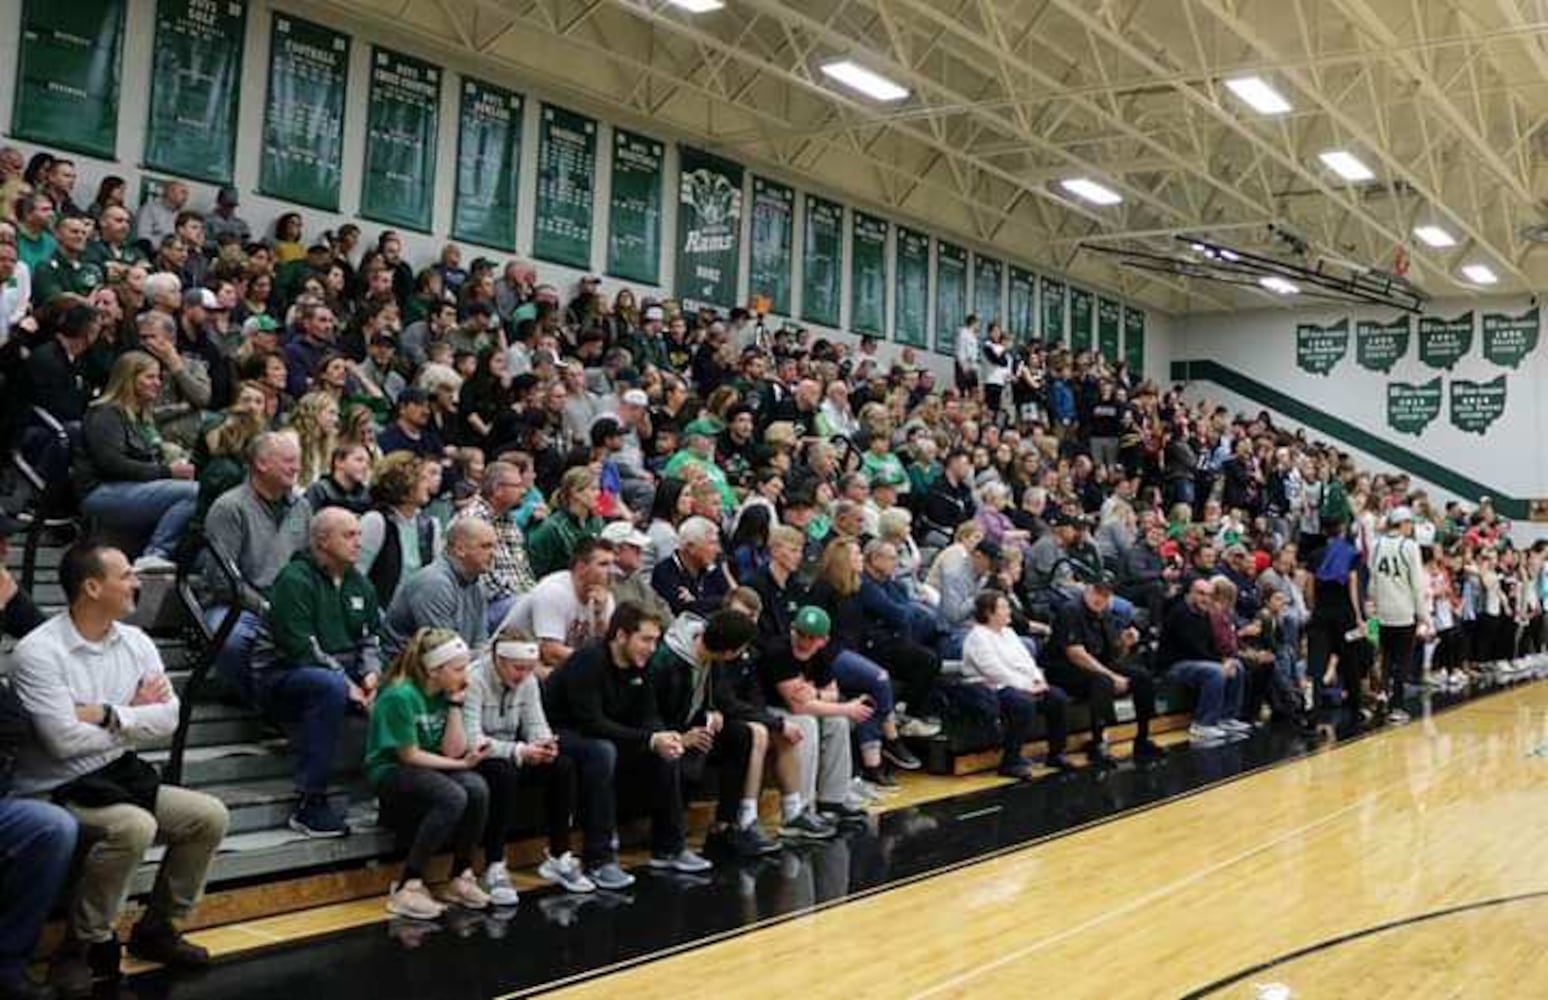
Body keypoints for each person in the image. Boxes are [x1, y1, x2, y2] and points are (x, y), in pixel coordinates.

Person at [12, 543, 229, 996]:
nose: (137, 582)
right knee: (133, 826)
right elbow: (61, 742)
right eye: (127, 574)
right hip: (56, 786)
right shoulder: (39, 651)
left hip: (117, 773)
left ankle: (159, 929)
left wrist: (110, 714)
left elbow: (169, 718)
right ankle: (81, 946)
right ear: (92, 587)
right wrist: (133, 717)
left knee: (209, 815)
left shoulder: (136, 641)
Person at [542, 604, 713, 880]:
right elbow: (591, 722)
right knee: (603, 751)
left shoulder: (641, 665)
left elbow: (648, 715)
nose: (652, 648)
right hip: (560, 732)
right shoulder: (589, 660)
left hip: (605, 732)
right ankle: (599, 858)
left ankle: (669, 847)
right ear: (621, 636)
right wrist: (650, 738)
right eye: (646, 639)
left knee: (665, 752)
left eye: (656, 640)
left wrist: (663, 737)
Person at [249, 508, 383, 838]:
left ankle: (394, 792)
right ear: (322, 540)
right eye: (349, 535)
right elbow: (302, 648)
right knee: (328, 686)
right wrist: (348, 684)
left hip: (342, 671)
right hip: (283, 676)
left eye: (358, 535)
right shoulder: (294, 579)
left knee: (405, 684)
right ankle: (310, 801)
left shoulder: (359, 582)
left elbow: (370, 638)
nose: (358, 543)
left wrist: (372, 676)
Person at [364, 628, 494, 919]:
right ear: (435, 670)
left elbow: (451, 750)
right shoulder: (400, 695)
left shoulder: (445, 693)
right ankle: (408, 885)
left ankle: (461, 875)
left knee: (477, 789)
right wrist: (461, 765)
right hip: (391, 770)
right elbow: (408, 756)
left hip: (430, 765)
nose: (466, 674)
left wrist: (456, 704)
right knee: (452, 795)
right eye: (459, 668)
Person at [463, 632, 601, 897]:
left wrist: (545, 744)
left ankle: (559, 855)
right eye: (518, 668)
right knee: (503, 773)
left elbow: (536, 723)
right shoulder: (475, 679)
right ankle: (495, 864)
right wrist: (520, 750)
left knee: (562, 765)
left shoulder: (528, 681)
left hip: (514, 751)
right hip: (477, 757)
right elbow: (472, 740)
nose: (524, 675)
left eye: (529, 668)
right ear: (498, 659)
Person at [647, 611, 780, 858]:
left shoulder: (710, 656)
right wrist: (681, 737)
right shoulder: (668, 661)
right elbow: (651, 712)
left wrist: (711, 712)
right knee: (680, 760)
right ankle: (669, 846)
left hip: (692, 727)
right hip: (661, 735)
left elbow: (722, 700)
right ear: (730, 652)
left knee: (741, 736)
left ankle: (724, 828)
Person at [201, 432, 312, 692]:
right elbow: (222, 580)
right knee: (231, 639)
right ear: (261, 464)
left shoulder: (301, 508)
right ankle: (248, 697)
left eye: (297, 460)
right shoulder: (229, 507)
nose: (296, 468)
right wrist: (265, 607)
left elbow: (306, 562)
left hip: (286, 602)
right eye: (288, 461)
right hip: (236, 605)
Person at [73, 350, 199, 573]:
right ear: (129, 379)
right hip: (102, 491)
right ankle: (155, 555)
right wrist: (167, 472)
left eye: (158, 377)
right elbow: (112, 464)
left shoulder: (142, 417)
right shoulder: (105, 414)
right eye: (150, 377)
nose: (157, 383)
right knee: (192, 492)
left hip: (133, 487)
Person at [758, 606, 870, 827]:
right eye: (801, 634)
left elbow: (832, 693)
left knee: (837, 723)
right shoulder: (778, 651)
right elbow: (798, 707)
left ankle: (832, 800)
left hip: (798, 707)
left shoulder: (822, 654)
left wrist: (816, 694)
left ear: (824, 640)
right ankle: (802, 807)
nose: (805, 642)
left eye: (812, 637)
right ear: (793, 630)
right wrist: (846, 708)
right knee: (806, 724)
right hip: (770, 710)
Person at [1040, 580, 1164, 765]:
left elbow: (1113, 656)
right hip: (1064, 669)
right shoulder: (1070, 610)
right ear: (1088, 590)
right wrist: (1112, 676)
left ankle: (1143, 738)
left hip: (1095, 666)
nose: (1101, 599)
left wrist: (1124, 643)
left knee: (1142, 677)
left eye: (1106, 595)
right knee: (1102, 681)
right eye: (1098, 593)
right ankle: (1098, 743)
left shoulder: (1105, 615)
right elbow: (1075, 654)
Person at [961, 590, 1075, 778]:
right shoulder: (977, 637)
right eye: (1004, 608)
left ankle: (1057, 753)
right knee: (1022, 703)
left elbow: (1027, 661)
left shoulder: (1009, 633)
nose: (1009, 612)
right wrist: (1027, 686)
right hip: (991, 688)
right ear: (989, 613)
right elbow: (995, 671)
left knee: (1057, 698)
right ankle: (1010, 761)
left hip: (1022, 684)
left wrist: (1038, 679)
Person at [383, 517, 496, 659]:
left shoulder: (477, 583)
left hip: (453, 664)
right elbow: (445, 650)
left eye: (494, 547)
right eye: (485, 546)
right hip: (409, 668)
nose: (493, 554)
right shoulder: (434, 583)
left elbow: (480, 641)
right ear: (460, 549)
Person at [1158, 577, 1250, 743]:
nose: (1205, 599)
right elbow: (1192, 648)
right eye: (1200, 594)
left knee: (1237, 666)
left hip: (1196, 662)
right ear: (1190, 594)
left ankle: (1226, 718)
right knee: (1215, 671)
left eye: (1209, 595)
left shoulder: (1205, 614)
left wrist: (1226, 659)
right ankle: (1203, 723)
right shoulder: (1179, 613)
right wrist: (1221, 662)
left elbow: (1210, 646)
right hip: (1174, 665)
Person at [501, 538, 617, 670]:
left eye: (613, 564)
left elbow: (608, 648)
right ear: (581, 567)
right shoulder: (553, 591)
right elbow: (550, 653)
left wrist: (600, 615)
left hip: (555, 666)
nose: (611, 571)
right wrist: (596, 662)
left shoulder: (605, 597)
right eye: (603, 564)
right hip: (512, 661)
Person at [454, 462, 538, 629]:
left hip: (514, 599)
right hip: (483, 608)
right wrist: (530, 598)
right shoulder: (473, 520)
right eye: (517, 486)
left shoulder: (508, 518)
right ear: (498, 489)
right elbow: (481, 583)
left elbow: (522, 570)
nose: (524, 491)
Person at [1368, 506, 1431, 723]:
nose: (1411, 527)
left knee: (1384, 658)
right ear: (1403, 523)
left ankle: (1382, 697)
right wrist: (1424, 615)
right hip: (1404, 613)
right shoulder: (1410, 546)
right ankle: (1397, 706)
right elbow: (1417, 584)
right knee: (1402, 661)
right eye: (1410, 523)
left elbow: (1372, 582)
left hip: (1382, 613)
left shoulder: (1376, 544)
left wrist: (1373, 607)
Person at [358, 452, 442, 606]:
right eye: (422, 479)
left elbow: (434, 579)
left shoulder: (430, 526)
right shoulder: (376, 521)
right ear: (404, 485)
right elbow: (358, 576)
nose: (428, 484)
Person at [526, 467, 605, 578]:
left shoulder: (597, 521)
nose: (598, 494)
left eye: (598, 489)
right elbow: (535, 571)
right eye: (593, 489)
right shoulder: (552, 528)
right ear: (575, 492)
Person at [652, 515, 735, 617]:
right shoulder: (665, 572)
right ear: (691, 547)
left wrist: (698, 601)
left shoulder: (712, 567)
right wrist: (710, 602)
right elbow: (683, 610)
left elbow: (733, 600)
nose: (718, 550)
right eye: (712, 543)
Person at [604, 519, 671, 621]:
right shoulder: (605, 581)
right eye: (634, 547)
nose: (641, 551)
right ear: (616, 550)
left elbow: (660, 606)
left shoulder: (634, 576)